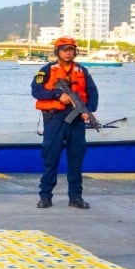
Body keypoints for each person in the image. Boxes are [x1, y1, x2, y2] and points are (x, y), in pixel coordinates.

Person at [32, 35, 98, 209]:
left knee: (76, 159)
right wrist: (57, 95)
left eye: (71, 50)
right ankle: (45, 196)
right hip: (55, 119)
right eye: (64, 50)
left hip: (76, 121)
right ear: (57, 52)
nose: (68, 53)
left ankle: (75, 197)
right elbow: (36, 91)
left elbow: (93, 93)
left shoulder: (82, 71)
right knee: (50, 158)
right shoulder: (47, 70)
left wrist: (88, 111)